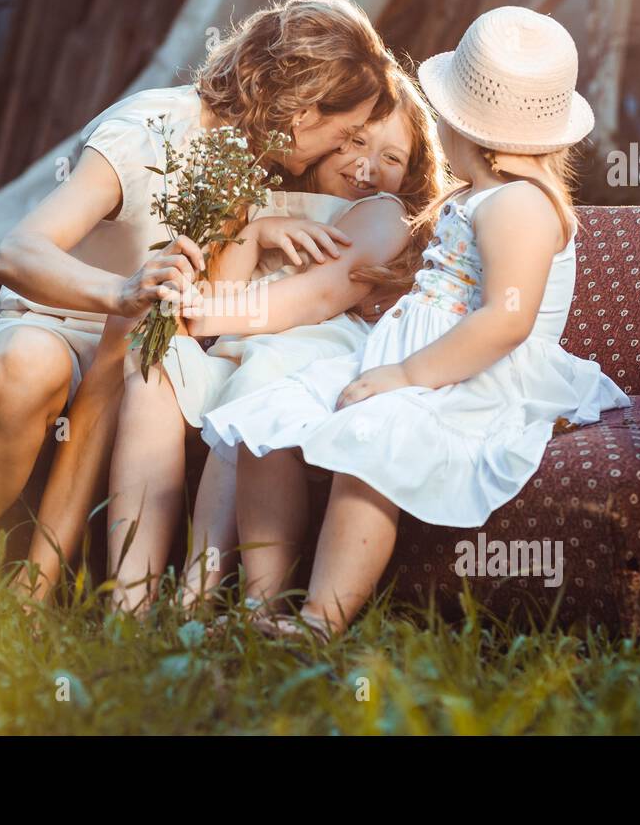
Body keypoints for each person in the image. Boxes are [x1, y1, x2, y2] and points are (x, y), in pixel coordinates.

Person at [0, 0, 397, 621]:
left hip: (138, 353)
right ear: (303, 114)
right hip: (53, 322)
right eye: (346, 131)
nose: (347, 149)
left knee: (140, 353)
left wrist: (262, 227)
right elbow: (18, 251)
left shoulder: (254, 166)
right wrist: (120, 292)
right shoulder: (149, 130)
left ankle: (35, 595)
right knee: (31, 363)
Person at [203, 7, 634, 637]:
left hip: (472, 378)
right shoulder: (475, 195)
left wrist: (404, 374)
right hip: (406, 365)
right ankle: (258, 610)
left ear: (463, 126)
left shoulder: (521, 204)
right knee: (267, 420)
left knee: (375, 434)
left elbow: (504, 324)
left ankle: (321, 621)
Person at [107, 71, 445, 613]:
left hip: (307, 353)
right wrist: (257, 230)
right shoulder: (268, 198)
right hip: (236, 347)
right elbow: (225, 294)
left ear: (411, 176)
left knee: (256, 382)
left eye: (392, 158)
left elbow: (308, 303)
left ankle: (202, 589)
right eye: (358, 141)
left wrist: (192, 312)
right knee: (152, 361)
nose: (367, 165)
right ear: (333, 134)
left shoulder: (384, 214)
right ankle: (130, 593)